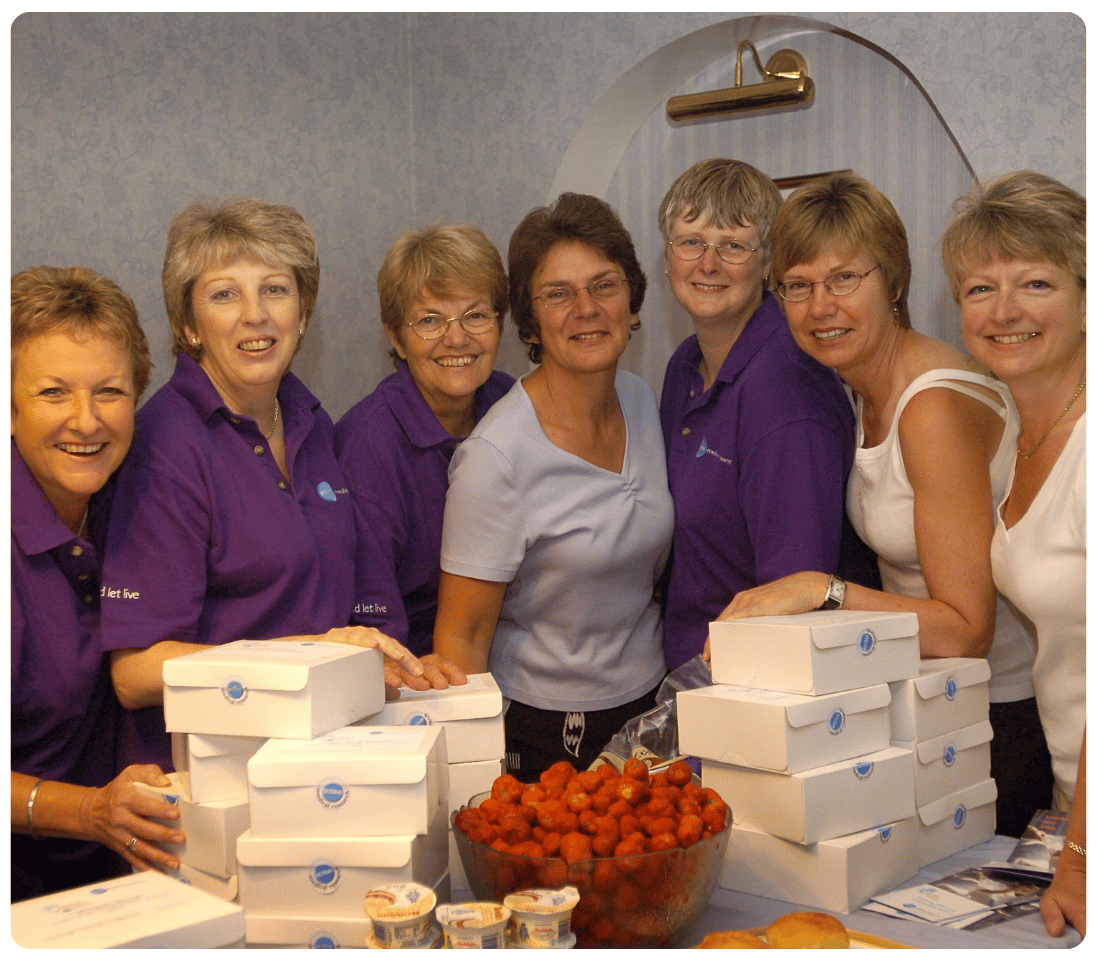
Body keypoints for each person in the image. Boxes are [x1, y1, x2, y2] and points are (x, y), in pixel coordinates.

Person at [720, 172, 1049, 840]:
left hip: (1000, 721)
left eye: (844, 279)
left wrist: (820, 592)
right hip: (935, 702)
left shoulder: (929, 407)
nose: (820, 307)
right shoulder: (860, 390)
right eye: (799, 285)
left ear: (894, 281)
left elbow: (965, 630)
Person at [100, 199, 449, 773]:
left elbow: (348, 599)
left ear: (303, 312)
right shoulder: (165, 447)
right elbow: (135, 673)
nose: (254, 315)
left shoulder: (309, 419)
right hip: (216, 773)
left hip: (322, 751)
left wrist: (392, 658)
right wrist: (312, 656)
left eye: (275, 290)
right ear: (189, 326)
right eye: (223, 294)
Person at [433, 193, 672, 779]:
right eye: (559, 294)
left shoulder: (642, 401)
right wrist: (471, 783)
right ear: (530, 318)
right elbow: (459, 643)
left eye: (604, 285)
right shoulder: (495, 459)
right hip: (544, 734)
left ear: (632, 298)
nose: (586, 309)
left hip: (652, 711)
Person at [657, 158, 878, 671]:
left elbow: (795, 598)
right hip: (690, 679)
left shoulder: (788, 390)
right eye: (690, 242)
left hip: (756, 686)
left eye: (733, 245)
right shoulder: (684, 366)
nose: (707, 263)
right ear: (667, 255)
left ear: (767, 264)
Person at [11, 266, 185, 901]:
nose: (85, 421)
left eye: (109, 392)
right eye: (54, 393)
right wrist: (87, 811)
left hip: (112, 881)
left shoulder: (133, 505)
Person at [942, 170, 1085, 937]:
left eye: (1035, 282)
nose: (1004, 311)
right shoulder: (1019, 436)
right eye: (978, 289)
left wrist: (1083, 861)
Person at [335, 224, 514, 655]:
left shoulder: (515, 406)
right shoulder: (367, 448)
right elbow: (378, 637)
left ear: (499, 324)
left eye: (475, 315)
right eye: (430, 320)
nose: (457, 338)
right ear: (396, 337)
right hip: (420, 679)